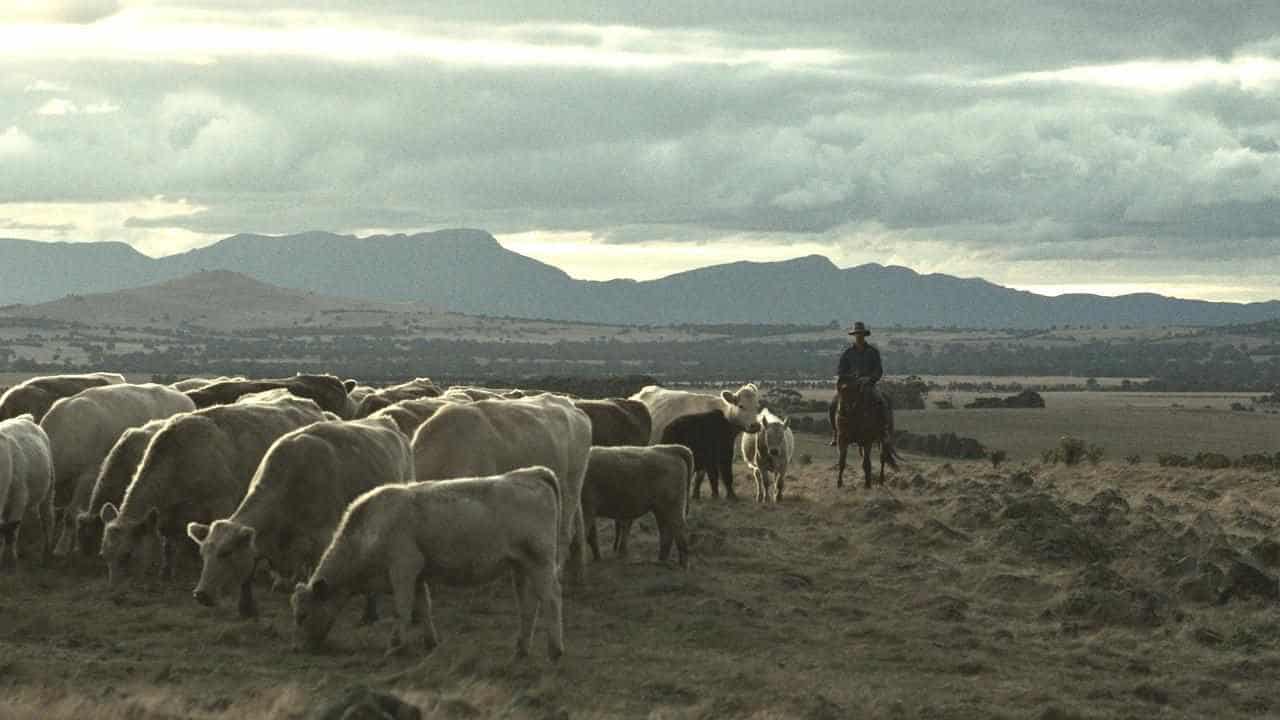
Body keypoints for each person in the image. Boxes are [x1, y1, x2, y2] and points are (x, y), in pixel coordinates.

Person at [828, 321, 886, 446]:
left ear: (864, 335)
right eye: (856, 334)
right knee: (833, 403)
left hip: (868, 385)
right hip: (851, 386)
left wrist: (869, 379)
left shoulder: (872, 352)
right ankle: (835, 432)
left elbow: (878, 370)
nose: (858, 336)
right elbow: (840, 370)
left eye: (860, 334)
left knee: (881, 401)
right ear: (854, 335)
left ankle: (882, 431)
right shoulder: (848, 353)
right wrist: (850, 378)